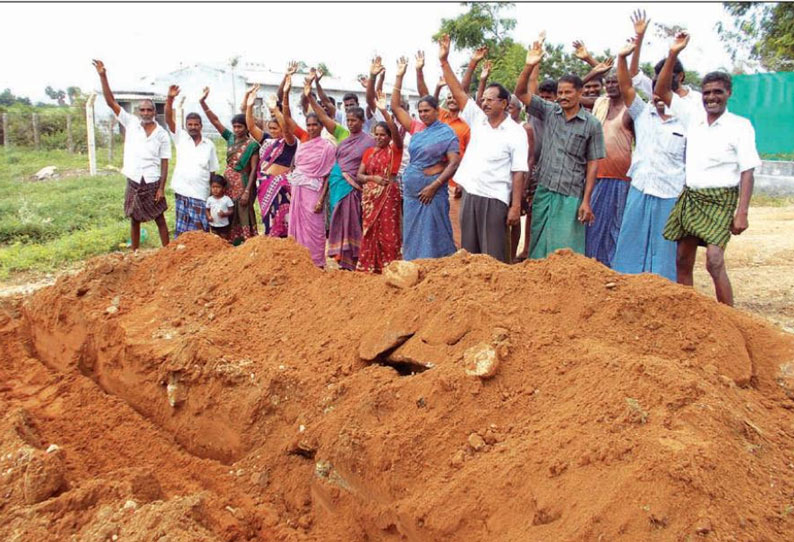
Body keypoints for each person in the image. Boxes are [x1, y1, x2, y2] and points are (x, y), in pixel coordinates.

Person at [656, 32, 760, 306]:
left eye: (718, 92)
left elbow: (748, 170)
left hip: (721, 199)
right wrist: (673, 54)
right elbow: (661, 91)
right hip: (692, 197)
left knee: (714, 261)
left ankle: (730, 320)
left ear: (728, 94)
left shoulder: (740, 126)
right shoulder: (692, 117)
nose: (712, 97)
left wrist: (742, 212)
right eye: (708, 92)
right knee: (681, 258)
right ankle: (689, 314)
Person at [440, 35, 528, 263]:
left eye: (491, 100)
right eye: (484, 99)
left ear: (504, 104)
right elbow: (458, 92)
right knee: (469, 254)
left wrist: (515, 206)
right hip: (471, 193)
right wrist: (444, 61)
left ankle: (495, 298)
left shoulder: (516, 131)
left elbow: (519, 171)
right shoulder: (478, 119)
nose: (485, 103)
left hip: (495, 198)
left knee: (493, 256)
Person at [515, 37, 605, 259]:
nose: (563, 97)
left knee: (565, 252)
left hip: (571, 193)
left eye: (568, 92)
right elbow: (521, 94)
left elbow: (593, 164)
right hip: (544, 189)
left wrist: (586, 200)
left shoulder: (591, 124)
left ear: (579, 93)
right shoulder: (549, 111)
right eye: (561, 93)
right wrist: (529, 65)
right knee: (538, 245)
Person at [611, 36, 686, 281]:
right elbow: (626, 87)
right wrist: (622, 57)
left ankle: (664, 297)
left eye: (662, 91)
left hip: (671, 193)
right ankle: (626, 291)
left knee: (665, 252)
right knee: (629, 244)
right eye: (654, 91)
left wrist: (673, 53)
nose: (657, 96)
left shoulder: (686, 121)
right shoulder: (643, 114)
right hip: (640, 188)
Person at [93, 60, 171, 250]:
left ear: (154, 112)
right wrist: (103, 75)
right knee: (134, 219)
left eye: (149, 110)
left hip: (152, 180)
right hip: (134, 177)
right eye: (142, 110)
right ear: (138, 111)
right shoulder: (131, 123)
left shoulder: (162, 134)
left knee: (159, 217)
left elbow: (165, 162)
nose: (145, 112)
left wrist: (161, 187)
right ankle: (134, 253)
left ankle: (168, 252)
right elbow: (111, 102)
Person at [306, 75, 375, 270]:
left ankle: (355, 258)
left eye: (355, 120)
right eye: (349, 120)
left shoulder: (370, 140)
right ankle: (341, 259)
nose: (351, 123)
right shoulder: (342, 137)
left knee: (352, 222)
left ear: (362, 121)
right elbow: (323, 115)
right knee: (338, 220)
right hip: (337, 185)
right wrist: (310, 97)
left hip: (353, 188)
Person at [415, 51, 475, 249]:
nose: (451, 99)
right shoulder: (440, 118)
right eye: (447, 96)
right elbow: (426, 97)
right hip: (433, 182)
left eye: (454, 96)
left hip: (455, 182)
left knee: (457, 228)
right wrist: (419, 71)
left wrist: (461, 181)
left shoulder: (466, 125)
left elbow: (467, 156)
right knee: (438, 227)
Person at [584, 69, 635, 267]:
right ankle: (592, 267)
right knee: (592, 225)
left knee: (616, 226)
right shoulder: (600, 104)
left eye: (616, 81)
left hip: (620, 177)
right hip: (596, 174)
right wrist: (593, 71)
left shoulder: (631, 111)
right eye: (609, 82)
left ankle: (613, 268)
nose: (612, 85)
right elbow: (574, 93)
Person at [286, 77, 337, 268]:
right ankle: (299, 263)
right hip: (298, 190)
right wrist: (285, 92)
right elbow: (288, 119)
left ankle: (317, 263)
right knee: (297, 226)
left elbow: (327, 176)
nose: (311, 128)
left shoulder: (327, 147)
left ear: (322, 126)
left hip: (315, 192)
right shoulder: (304, 144)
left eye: (315, 125)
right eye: (309, 125)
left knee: (315, 228)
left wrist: (321, 200)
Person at [245, 85, 307, 237]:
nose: (273, 131)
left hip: (282, 187)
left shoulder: (289, 142)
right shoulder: (266, 140)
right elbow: (251, 126)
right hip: (265, 185)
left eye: (276, 128)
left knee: (284, 220)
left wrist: (276, 110)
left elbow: (287, 129)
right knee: (268, 220)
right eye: (271, 128)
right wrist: (249, 106)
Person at [199, 87, 260, 245]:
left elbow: (254, 169)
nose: (237, 129)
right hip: (228, 182)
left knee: (243, 211)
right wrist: (203, 103)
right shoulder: (230, 138)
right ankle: (230, 243)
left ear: (247, 127)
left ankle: (247, 242)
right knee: (228, 210)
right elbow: (215, 121)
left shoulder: (252, 145)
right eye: (235, 127)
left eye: (240, 127)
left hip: (243, 183)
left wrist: (247, 191)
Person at [356, 92, 404, 272]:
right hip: (369, 196)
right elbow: (359, 175)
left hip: (388, 195)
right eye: (376, 134)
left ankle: (390, 266)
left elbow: (396, 133)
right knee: (370, 232)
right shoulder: (369, 152)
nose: (379, 138)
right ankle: (370, 266)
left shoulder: (395, 150)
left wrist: (384, 111)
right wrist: (372, 178)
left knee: (389, 232)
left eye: (383, 135)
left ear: (390, 137)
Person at [164, 85, 219, 238]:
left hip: (201, 194)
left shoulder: (209, 145)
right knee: (182, 232)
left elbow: (213, 171)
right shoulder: (180, 137)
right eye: (190, 124)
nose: (193, 127)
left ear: (201, 126)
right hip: (182, 191)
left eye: (196, 124)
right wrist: (170, 98)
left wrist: (212, 195)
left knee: (200, 234)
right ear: (186, 126)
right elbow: (168, 119)